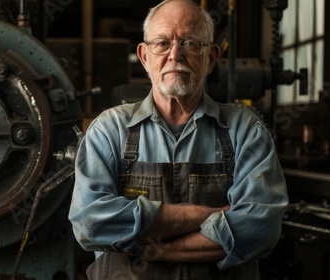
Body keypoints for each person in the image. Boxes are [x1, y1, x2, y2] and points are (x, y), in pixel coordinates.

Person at [68, 0, 289, 279]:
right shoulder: (109, 130)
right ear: (145, 56)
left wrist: (146, 246)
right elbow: (90, 224)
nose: (175, 55)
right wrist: (209, 214)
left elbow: (260, 227)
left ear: (210, 59)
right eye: (162, 43)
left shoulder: (246, 131)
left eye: (191, 43)